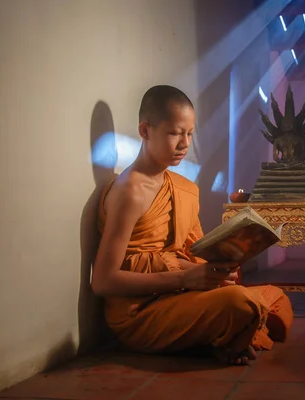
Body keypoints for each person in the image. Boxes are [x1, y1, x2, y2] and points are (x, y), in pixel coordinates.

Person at [92, 85, 293, 365]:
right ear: (145, 130)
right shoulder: (130, 191)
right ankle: (225, 334)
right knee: (242, 306)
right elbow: (102, 281)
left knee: (276, 298)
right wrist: (185, 279)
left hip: (183, 295)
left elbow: (190, 254)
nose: (184, 143)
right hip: (142, 312)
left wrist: (213, 272)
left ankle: (221, 334)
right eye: (175, 133)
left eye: (189, 133)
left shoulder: (184, 188)